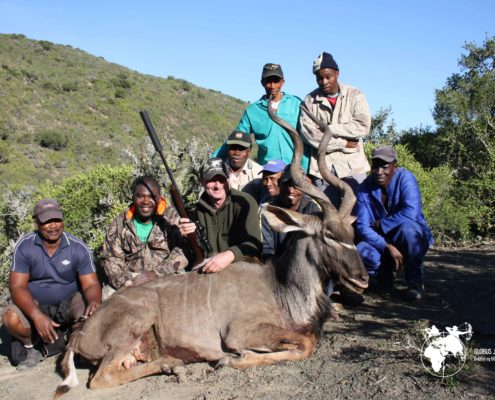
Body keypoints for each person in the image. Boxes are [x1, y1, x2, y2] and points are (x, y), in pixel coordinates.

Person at [2, 199, 102, 370]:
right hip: (37, 304)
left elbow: (91, 284)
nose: (53, 226)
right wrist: (36, 315)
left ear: (63, 220)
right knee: (9, 318)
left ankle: (73, 339)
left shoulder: (77, 247)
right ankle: (31, 345)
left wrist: (94, 302)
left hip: (68, 303)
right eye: (46, 222)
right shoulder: (25, 247)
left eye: (56, 220)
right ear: (36, 223)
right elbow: (17, 287)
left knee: (93, 312)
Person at [355, 146, 434, 301]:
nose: (379, 171)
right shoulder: (365, 187)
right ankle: (381, 277)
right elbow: (362, 226)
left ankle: (415, 282)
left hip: (407, 236)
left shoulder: (406, 178)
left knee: (408, 230)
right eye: (375, 166)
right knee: (360, 250)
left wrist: (381, 224)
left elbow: (412, 212)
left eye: (384, 167)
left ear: (394, 167)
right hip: (383, 240)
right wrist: (387, 246)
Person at [299, 52, 371, 205]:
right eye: (319, 78)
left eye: (328, 77)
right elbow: (310, 136)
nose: (324, 81)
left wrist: (329, 129)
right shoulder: (309, 101)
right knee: (328, 219)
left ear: (337, 73)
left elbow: (362, 127)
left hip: (353, 169)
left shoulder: (355, 95)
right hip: (323, 170)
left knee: (358, 213)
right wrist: (343, 144)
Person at [213, 63, 310, 170]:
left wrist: (306, 169)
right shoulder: (252, 111)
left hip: (295, 170)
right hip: (268, 171)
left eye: (276, 81)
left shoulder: (296, 104)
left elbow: (306, 139)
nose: (272, 86)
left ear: (283, 82)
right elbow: (236, 138)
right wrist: (213, 159)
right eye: (268, 81)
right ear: (262, 83)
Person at [101, 176, 189, 292]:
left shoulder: (171, 221)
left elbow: (182, 252)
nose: (146, 201)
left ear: (159, 198)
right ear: (133, 196)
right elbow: (110, 258)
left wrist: (156, 273)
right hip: (132, 279)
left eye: (151, 197)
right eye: (140, 196)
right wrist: (126, 282)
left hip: (166, 276)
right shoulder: (120, 223)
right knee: (106, 301)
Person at [178, 158, 262, 273]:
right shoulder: (195, 211)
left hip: (240, 271)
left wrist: (230, 255)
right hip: (208, 272)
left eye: (222, 179)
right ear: (202, 181)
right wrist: (184, 236)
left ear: (229, 179)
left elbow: (255, 245)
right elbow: (195, 254)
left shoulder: (245, 203)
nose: (217, 185)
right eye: (211, 180)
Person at [261, 165, 320, 260]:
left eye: (296, 185)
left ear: (304, 187)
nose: (291, 190)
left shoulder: (313, 209)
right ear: (279, 185)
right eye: (287, 184)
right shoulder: (269, 210)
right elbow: (267, 249)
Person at [222, 130, 263, 197]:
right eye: (233, 148)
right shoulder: (218, 169)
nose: (237, 153)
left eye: (241, 149)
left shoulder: (258, 173)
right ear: (228, 149)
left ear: (249, 151)